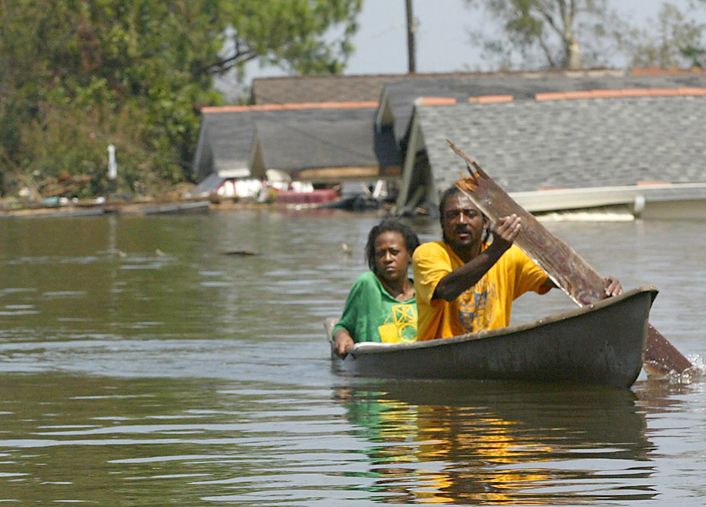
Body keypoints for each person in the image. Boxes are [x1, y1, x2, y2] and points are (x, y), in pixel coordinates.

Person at [413, 186, 622, 341]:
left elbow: (559, 278)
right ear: (442, 223)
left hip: (490, 350)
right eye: (452, 215)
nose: (461, 221)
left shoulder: (509, 257)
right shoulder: (429, 253)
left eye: (470, 214)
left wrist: (600, 285)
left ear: (485, 221)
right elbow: (447, 289)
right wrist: (497, 249)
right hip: (441, 352)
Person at [333, 218, 421, 358]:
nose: (387, 259)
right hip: (375, 365)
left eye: (394, 252)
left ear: (410, 255)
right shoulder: (367, 285)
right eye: (381, 254)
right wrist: (342, 337)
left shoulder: (423, 293)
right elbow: (342, 326)